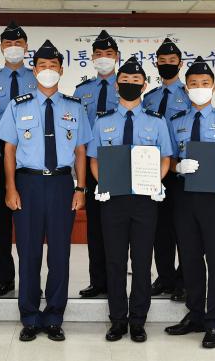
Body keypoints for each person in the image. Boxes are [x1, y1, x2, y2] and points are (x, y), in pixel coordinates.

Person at [0, 39, 91, 342]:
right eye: (42, 66)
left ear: (61, 70)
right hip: (28, 183)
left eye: (53, 66)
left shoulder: (75, 107)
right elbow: (9, 150)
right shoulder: (17, 105)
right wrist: (10, 188)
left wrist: (81, 188)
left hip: (62, 184)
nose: (47, 71)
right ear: (33, 70)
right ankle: (29, 315)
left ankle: (54, 315)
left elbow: (80, 152)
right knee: (29, 252)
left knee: (60, 253)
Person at [89, 56, 172, 342]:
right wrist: (104, 182)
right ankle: (117, 320)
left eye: (136, 81)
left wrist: (155, 182)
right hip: (113, 199)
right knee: (114, 260)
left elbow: (165, 158)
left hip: (144, 200)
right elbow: (94, 160)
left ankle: (138, 319)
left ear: (145, 86)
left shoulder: (157, 122)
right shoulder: (103, 122)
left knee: (140, 260)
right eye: (125, 81)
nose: (130, 85)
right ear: (116, 85)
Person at [164, 56, 215, 349]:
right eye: (194, 84)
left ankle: (214, 321)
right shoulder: (177, 122)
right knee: (190, 256)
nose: (199, 88)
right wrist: (177, 167)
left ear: (214, 87)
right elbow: (168, 158)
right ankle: (195, 314)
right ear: (186, 88)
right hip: (184, 196)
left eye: (205, 84)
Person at [0, 21, 36, 297]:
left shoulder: (38, 78)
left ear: (26, 47)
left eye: (19, 43)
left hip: (29, 158)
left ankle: (30, 277)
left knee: (30, 224)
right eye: (9, 44)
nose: (14, 48)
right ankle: (5, 278)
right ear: (1, 47)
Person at [143, 37, 191, 302]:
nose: (167, 66)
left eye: (172, 62)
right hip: (154, 170)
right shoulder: (149, 98)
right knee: (159, 228)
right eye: (162, 62)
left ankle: (184, 279)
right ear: (156, 65)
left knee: (183, 228)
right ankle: (165, 276)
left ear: (181, 64)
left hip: (182, 171)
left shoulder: (190, 93)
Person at [73, 29, 119, 298]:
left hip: (120, 166)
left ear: (117, 57)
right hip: (91, 165)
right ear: (92, 58)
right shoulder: (82, 91)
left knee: (119, 226)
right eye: (99, 54)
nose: (104, 58)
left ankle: (116, 282)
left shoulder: (126, 85)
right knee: (96, 226)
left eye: (109, 54)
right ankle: (98, 280)